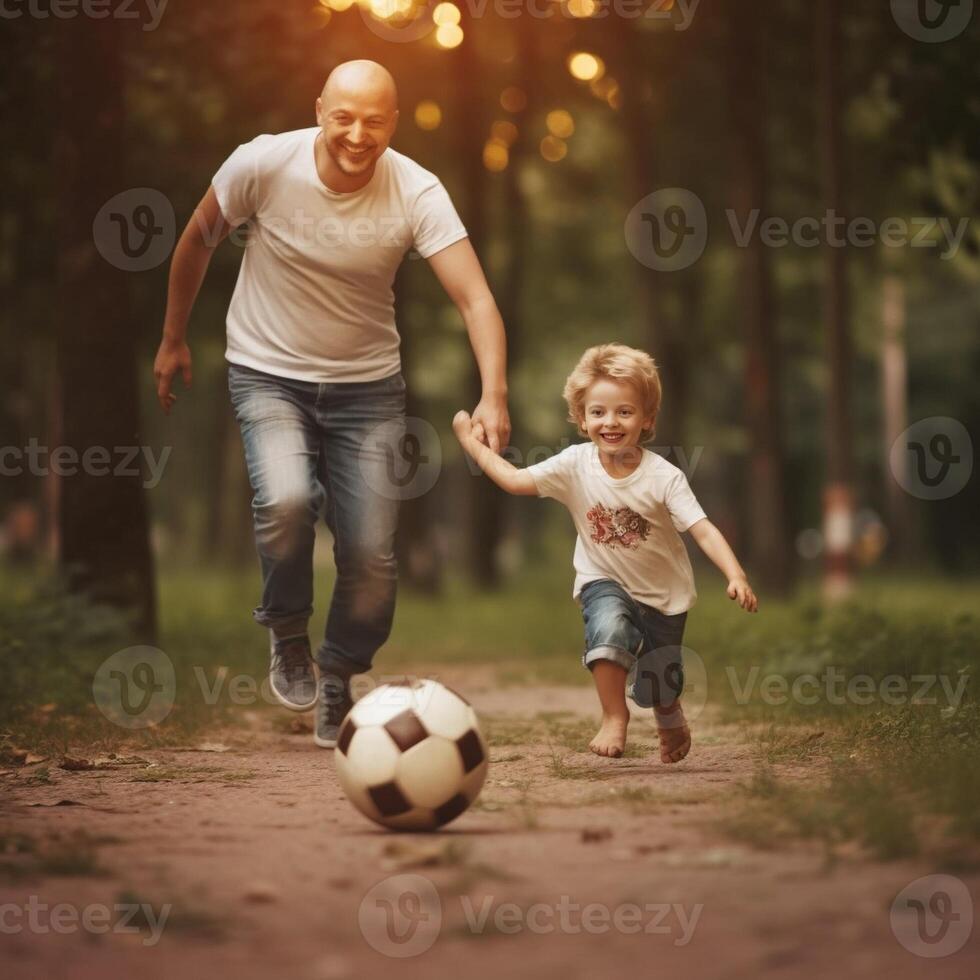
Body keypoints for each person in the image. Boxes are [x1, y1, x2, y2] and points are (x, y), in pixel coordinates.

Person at [153, 60, 510, 748]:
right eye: (343, 116)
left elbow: (476, 298)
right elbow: (197, 238)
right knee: (286, 500)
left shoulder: (416, 189)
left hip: (368, 387)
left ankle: (340, 674)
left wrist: (494, 391)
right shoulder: (261, 164)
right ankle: (288, 635)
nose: (357, 133)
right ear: (320, 109)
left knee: (372, 556)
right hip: (267, 372)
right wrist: (173, 338)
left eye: (374, 120)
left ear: (394, 123)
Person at [452, 343, 757, 762]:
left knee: (659, 682)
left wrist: (735, 574)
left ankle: (668, 714)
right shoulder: (573, 464)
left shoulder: (664, 477)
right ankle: (614, 717)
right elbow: (515, 480)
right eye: (597, 412)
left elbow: (702, 530)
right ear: (581, 418)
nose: (610, 422)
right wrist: (474, 447)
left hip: (663, 596)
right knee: (608, 630)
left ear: (647, 419)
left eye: (624, 412)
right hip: (604, 580)